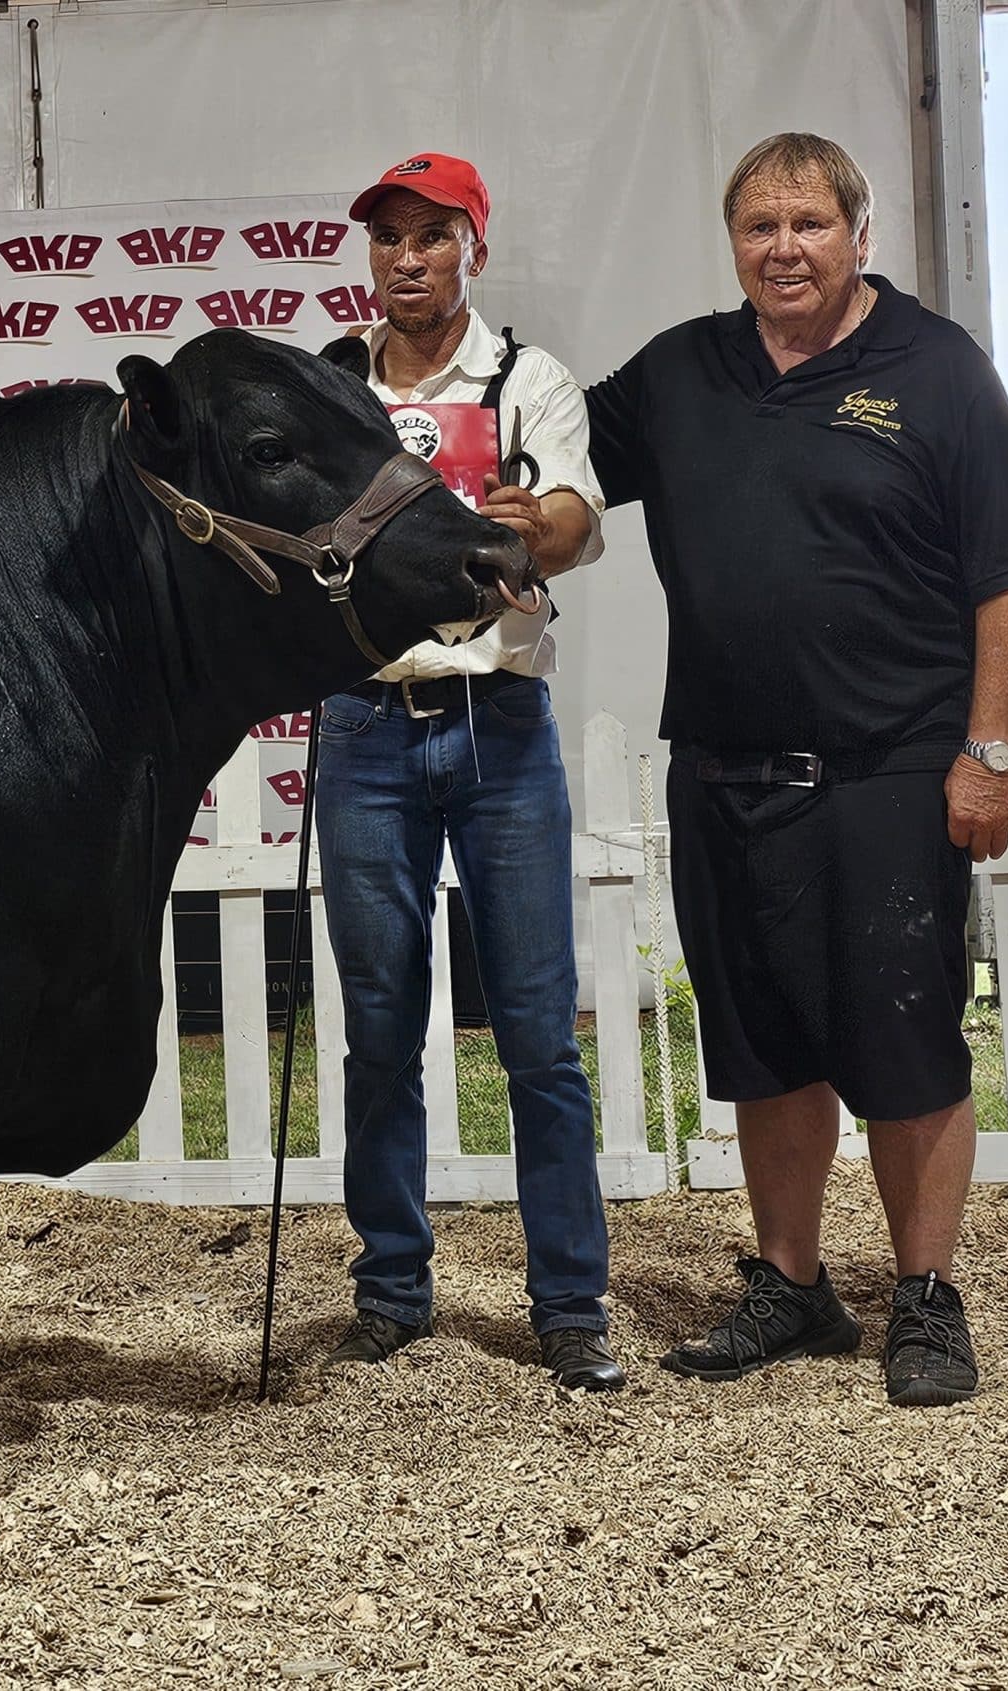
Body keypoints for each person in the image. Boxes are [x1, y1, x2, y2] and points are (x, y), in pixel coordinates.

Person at [584, 132, 1008, 1406]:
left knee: (905, 1038)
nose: (782, 248)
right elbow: (554, 460)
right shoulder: (684, 368)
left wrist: (989, 753)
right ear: (732, 241)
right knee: (764, 1042)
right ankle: (793, 1286)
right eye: (757, 226)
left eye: (807, 222)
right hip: (726, 769)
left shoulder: (935, 369)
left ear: (860, 234)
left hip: (894, 770)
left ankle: (922, 1295)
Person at [313, 152, 621, 1392]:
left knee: (539, 1034)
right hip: (366, 724)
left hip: (498, 721)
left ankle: (569, 1301)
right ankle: (392, 1284)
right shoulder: (331, 383)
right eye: (388, 236)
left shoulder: (523, 379)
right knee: (379, 1029)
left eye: (431, 236)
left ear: (471, 249)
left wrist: (530, 522)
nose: (406, 258)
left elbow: (579, 521)